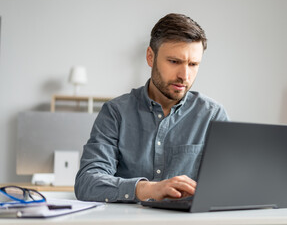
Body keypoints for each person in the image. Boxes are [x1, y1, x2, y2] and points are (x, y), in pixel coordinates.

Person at [75, 13, 228, 203]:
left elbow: (226, 187)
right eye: (174, 61)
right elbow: (87, 182)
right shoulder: (115, 113)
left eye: (193, 64)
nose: (184, 75)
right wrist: (147, 189)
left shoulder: (213, 115)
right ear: (150, 57)